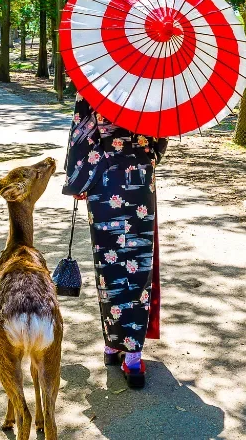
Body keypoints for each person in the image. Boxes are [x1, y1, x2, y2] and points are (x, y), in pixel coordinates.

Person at [63, 94, 167, 389]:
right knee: (138, 264)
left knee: (108, 264)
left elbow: (81, 133)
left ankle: (112, 346)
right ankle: (132, 357)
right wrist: (147, 155)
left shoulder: (94, 81)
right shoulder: (155, 86)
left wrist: (77, 181)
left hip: (104, 181)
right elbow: (160, 138)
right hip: (140, 182)